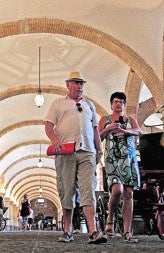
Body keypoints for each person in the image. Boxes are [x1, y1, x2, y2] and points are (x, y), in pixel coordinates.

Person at [44, 71, 107, 244]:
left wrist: (99, 149)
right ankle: (67, 231)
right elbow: (49, 125)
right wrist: (55, 140)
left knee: (88, 190)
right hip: (66, 151)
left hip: (87, 151)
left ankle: (93, 232)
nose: (79, 86)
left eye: (81, 83)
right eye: (76, 83)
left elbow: (95, 129)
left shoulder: (90, 106)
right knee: (67, 191)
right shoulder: (58, 104)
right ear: (68, 85)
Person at [99, 91, 142, 243]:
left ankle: (127, 232)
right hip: (112, 158)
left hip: (129, 159)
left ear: (123, 105)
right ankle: (110, 217)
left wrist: (125, 131)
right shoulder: (105, 119)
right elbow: (97, 137)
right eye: (116, 101)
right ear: (111, 104)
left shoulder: (130, 119)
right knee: (117, 190)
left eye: (121, 102)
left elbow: (139, 131)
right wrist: (109, 128)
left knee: (129, 193)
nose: (119, 104)